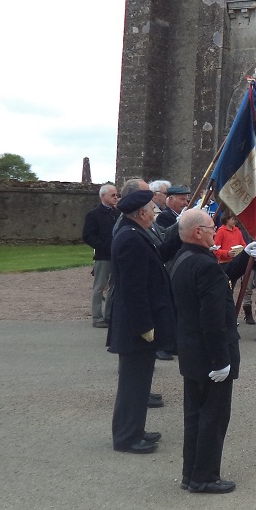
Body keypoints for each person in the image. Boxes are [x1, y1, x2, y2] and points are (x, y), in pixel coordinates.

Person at [169, 210, 240, 494]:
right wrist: (221, 360)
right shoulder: (204, 265)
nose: (215, 231)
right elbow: (212, 319)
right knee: (213, 417)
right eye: (211, 227)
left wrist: (246, 256)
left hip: (191, 352)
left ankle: (192, 473)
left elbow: (219, 279)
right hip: (210, 355)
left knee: (195, 416)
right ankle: (205, 477)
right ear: (197, 232)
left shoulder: (182, 259)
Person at [109, 189, 176, 453]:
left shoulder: (136, 234)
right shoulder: (130, 239)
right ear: (141, 213)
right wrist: (144, 326)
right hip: (136, 326)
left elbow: (159, 255)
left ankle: (135, 429)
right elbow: (133, 289)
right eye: (152, 210)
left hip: (139, 324)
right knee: (132, 384)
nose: (154, 214)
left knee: (139, 382)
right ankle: (126, 437)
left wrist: (180, 233)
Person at [82, 182, 120, 328]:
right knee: (99, 287)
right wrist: (103, 246)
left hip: (115, 254)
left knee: (113, 287)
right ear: (103, 196)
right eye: (113, 195)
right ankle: (97, 317)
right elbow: (87, 235)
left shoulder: (117, 214)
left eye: (117, 195)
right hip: (103, 256)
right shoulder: (94, 214)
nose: (116, 197)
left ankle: (109, 315)